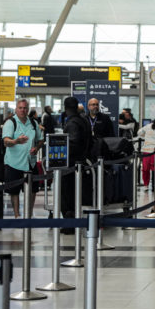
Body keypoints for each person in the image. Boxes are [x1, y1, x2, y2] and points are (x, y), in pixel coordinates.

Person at [1, 98, 43, 219]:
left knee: (33, 190)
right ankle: (17, 215)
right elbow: (6, 141)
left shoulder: (34, 123)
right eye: (20, 108)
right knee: (14, 191)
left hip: (31, 162)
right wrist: (16, 141)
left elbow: (40, 140)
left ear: (28, 109)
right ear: (16, 109)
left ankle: (28, 215)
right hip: (14, 162)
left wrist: (36, 148)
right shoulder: (11, 123)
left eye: (25, 108)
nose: (23, 110)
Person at [61, 96, 91, 225]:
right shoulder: (84, 120)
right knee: (75, 194)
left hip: (72, 164)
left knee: (67, 195)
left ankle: (69, 224)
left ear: (66, 108)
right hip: (82, 162)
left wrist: (63, 154)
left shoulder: (72, 123)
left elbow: (73, 144)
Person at [138, 118, 155, 187]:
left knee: (145, 169)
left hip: (146, 150)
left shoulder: (148, 126)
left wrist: (145, 136)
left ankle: (146, 184)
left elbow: (139, 132)